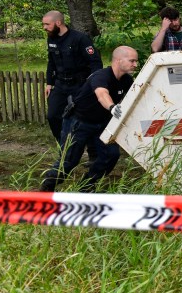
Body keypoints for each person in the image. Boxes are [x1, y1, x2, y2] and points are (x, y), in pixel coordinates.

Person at [41, 46, 139, 192]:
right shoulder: (101, 76)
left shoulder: (126, 80)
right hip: (79, 122)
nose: (135, 65)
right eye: (132, 61)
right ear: (118, 60)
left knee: (111, 156)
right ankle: (46, 188)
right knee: (68, 163)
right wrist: (112, 107)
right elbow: (102, 94)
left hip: (102, 124)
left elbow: (138, 96)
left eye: (136, 61)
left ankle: (86, 186)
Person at [43, 10, 103, 144]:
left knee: (86, 118)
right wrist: (49, 83)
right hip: (60, 85)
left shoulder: (80, 39)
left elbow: (95, 62)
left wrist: (94, 84)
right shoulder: (51, 38)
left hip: (80, 85)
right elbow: (51, 62)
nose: (44, 27)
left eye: (47, 24)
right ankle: (63, 146)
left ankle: (92, 153)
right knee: (53, 116)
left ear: (58, 22)